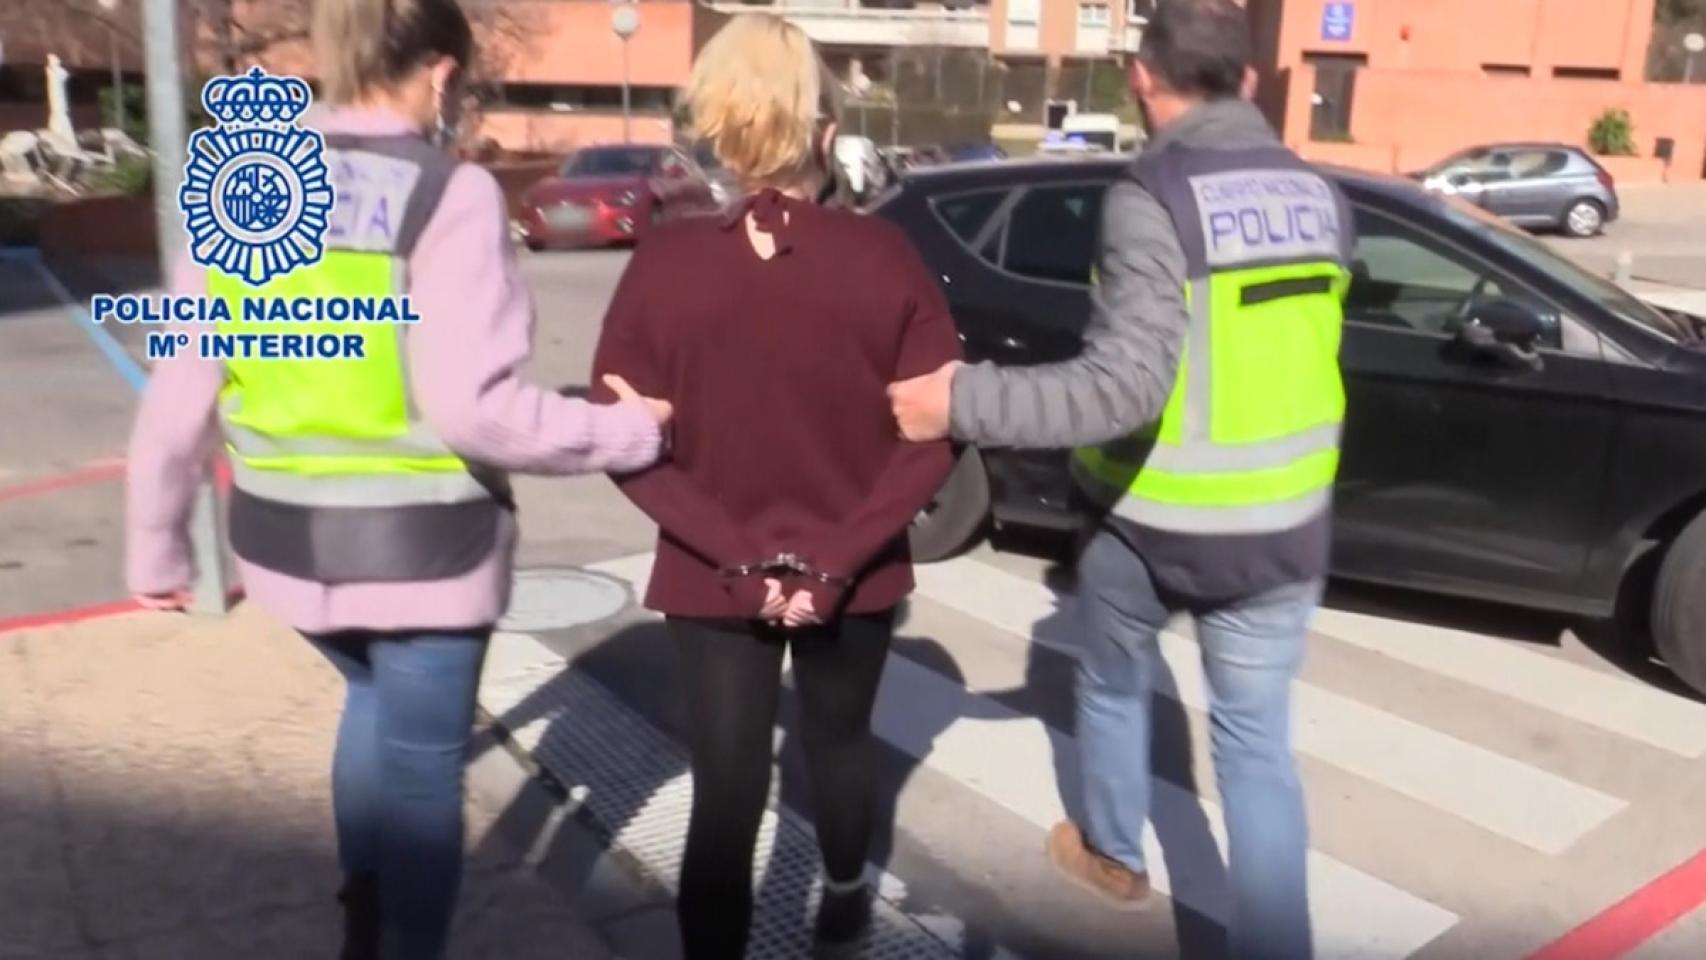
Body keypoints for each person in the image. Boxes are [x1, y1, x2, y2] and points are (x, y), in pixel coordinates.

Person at [123, 0, 670, 956]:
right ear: (441, 73)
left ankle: (362, 924)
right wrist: (631, 432)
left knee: (367, 702)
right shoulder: (449, 196)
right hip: (428, 553)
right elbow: (477, 413)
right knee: (421, 776)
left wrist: (154, 547)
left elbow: (178, 399)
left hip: (287, 542)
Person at [887, 1, 1352, 956]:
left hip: (1152, 518)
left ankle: (1112, 855)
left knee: (1110, 686)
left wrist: (958, 400)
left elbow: (1120, 389)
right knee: (1257, 753)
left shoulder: (1154, 196)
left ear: (1142, 78)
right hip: (1286, 525)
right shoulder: (1321, 194)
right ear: (1250, 81)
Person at [587, 15, 961, 958]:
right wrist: (830, 561)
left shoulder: (664, 263)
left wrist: (742, 558)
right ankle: (844, 898)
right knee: (839, 743)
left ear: (718, 130)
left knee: (727, 786)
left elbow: (621, 436)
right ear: (826, 135)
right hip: (856, 565)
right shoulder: (886, 257)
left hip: (710, 566)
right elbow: (938, 429)